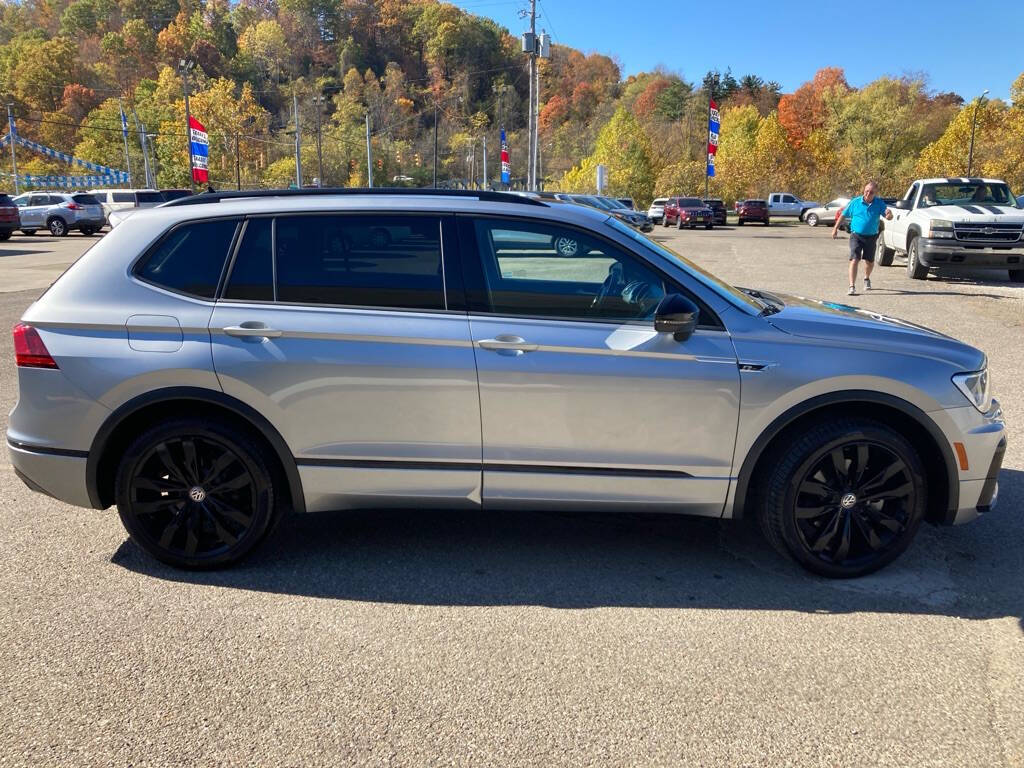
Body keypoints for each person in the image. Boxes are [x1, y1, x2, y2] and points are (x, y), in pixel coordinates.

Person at [833, 181, 893, 295]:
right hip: (856, 235)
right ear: (863, 190)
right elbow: (843, 214)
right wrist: (835, 228)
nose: (868, 194)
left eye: (871, 192)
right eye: (866, 191)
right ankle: (852, 286)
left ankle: (866, 278)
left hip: (871, 237)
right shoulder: (855, 202)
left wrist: (890, 215)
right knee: (855, 259)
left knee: (869, 262)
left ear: (875, 193)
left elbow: (888, 216)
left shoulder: (879, 203)